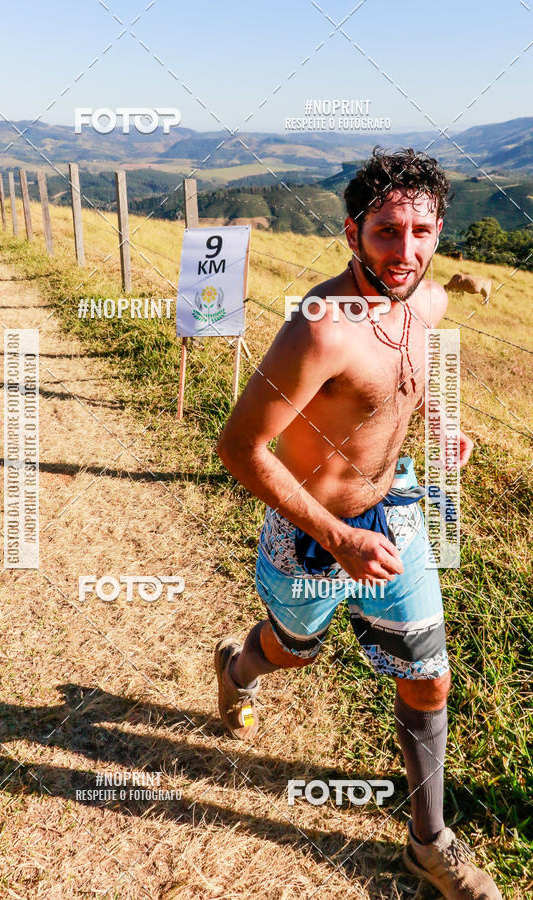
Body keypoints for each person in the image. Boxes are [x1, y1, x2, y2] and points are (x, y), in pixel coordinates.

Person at [214, 148, 501, 899]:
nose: (404, 252)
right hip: (311, 532)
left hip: (394, 515)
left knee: (428, 678)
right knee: (292, 651)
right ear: (352, 232)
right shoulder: (320, 329)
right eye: (385, 232)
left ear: (440, 231)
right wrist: (338, 537)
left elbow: (416, 366)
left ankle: (428, 843)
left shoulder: (429, 302)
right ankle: (236, 669)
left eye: (421, 231)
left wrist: (440, 421)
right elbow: (239, 448)